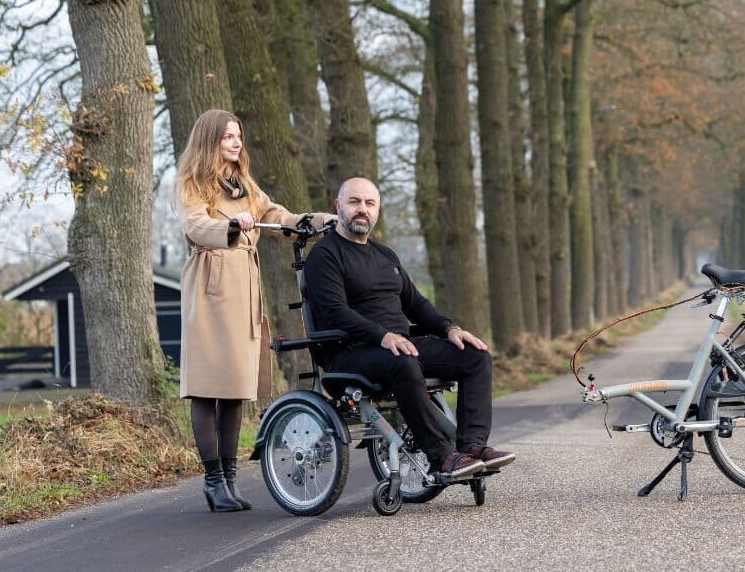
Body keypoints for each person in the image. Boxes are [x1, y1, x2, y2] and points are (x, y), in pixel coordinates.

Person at [305, 177, 515, 478]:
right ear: (338, 206)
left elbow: (415, 303)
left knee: (476, 355)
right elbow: (335, 312)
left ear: (377, 210)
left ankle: (472, 447)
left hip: (398, 345)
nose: (362, 209)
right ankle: (442, 456)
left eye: (369, 203)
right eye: (354, 202)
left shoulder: (385, 255)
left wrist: (449, 329)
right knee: (403, 362)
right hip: (350, 352)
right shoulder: (325, 255)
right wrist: (383, 335)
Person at [176, 109, 331, 512]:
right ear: (211, 139)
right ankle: (213, 481)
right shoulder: (193, 182)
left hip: (244, 286)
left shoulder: (243, 183)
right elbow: (195, 225)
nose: (235, 142)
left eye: (238, 135)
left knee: (234, 389)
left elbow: (274, 215)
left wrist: (311, 221)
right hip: (210, 286)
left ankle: (228, 478)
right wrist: (230, 226)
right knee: (208, 386)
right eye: (227, 136)